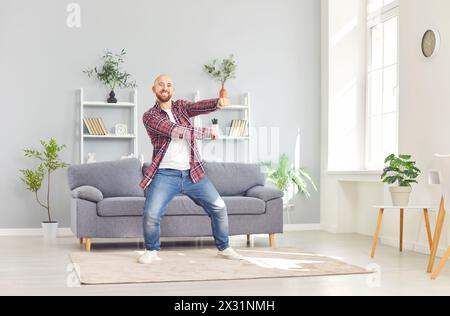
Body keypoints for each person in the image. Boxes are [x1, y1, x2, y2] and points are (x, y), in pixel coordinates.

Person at [138, 74, 244, 264]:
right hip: (165, 173)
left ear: (173, 89)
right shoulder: (150, 116)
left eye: (169, 85)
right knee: (151, 214)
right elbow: (174, 130)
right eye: (161, 85)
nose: (165, 88)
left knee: (219, 208)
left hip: (192, 173)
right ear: (153, 89)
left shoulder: (181, 106)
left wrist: (217, 103)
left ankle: (224, 248)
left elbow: (198, 107)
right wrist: (206, 133)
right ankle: (151, 250)